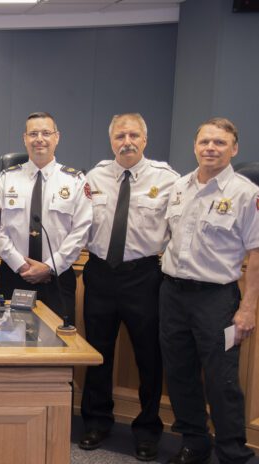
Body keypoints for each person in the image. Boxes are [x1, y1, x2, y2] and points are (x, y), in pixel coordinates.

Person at [78, 113, 179, 461]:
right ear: (111, 140)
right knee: (97, 353)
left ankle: (148, 430)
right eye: (120, 135)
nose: (127, 141)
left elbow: (178, 230)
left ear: (145, 140)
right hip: (100, 273)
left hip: (144, 276)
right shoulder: (94, 176)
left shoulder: (168, 180)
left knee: (148, 357)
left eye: (134, 135)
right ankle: (96, 421)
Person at [160, 118, 257, 464]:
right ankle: (194, 443)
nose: (210, 148)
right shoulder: (180, 187)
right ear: (195, 146)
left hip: (216, 300)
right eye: (204, 142)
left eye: (219, 142)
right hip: (172, 294)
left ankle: (233, 453)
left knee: (222, 380)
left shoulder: (247, 194)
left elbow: (257, 253)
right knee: (179, 374)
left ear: (234, 149)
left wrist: (248, 309)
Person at [0, 112, 91, 323]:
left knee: (59, 347)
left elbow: (81, 231)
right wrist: (21, 265)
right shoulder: (6, 178)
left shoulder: (75, 181)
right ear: (24, 139)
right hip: (14, 276)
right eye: (33, 133)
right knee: (9, 345)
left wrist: (49, 267)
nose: (39, 139)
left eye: (46, 133)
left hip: (58, 278)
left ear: (57, 137)